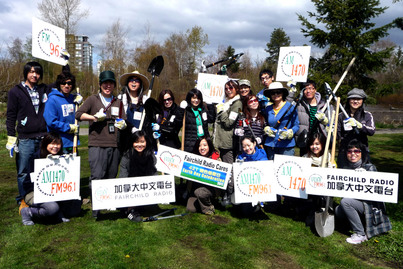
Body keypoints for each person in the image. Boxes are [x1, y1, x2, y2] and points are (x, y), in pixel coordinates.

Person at [75, 70, 126, 218]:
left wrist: (123, 124)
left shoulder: (118, 102)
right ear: (100, 84)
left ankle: (108, 202)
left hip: (114, 144)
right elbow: (78, 114)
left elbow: (123, 119)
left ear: (114, 85)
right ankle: (96, 206)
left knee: (111, 175)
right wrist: (94, 118)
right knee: (97, 175)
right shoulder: (93, 99)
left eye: (110, 83)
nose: (108, 86)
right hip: (97, 143)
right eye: (105, 83)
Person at [6, 61, 50, 205]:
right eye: (31, 72)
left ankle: (42, 197)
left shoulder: (44, 89)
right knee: (24, 171)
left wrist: (65, 63)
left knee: (43, 170)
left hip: (43, 137)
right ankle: (23, 200)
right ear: (26, 73)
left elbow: (61, 84)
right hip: (25, 139)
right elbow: (11, 115)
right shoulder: (15, 91)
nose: (34, 75)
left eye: (37, 72)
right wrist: (11, 137)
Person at [335, 139, 391, 244]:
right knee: (338, 211)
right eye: (349, 151)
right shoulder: (346, 169)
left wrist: (366, 177)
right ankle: (357, 222)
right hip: (355, 203)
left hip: (369, 205)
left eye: (356, 151)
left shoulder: (370, 168)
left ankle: (360, 234)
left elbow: (378, 193)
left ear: (362, 153)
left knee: (345, 202)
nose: (353, 154)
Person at [20, 132, 71, 225]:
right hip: (34, 191)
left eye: (58, 144)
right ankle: (27, 212)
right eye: (52, 143)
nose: (55, 146)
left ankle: (57, 213)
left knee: (74, 208)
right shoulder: (36, 157)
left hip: (54, 192)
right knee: (52, 208)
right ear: (45, 144)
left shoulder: (62, 158)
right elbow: (31, 180)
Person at [214, 80, 243, 204]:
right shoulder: (225, 102)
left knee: (229, 168)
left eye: (231, 87)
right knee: (220, 168)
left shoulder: (237, 103)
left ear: (236, 89)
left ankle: (229, 194)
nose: (228, 90)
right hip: (219, 140)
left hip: (227, 142)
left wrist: (221, 111)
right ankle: (221, 193)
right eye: (226, 88)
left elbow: (229, 123)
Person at [119, 130, 157, 222]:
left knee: (147, 207)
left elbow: (154, 173)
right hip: (131, 186)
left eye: (142, 142)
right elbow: (123, 177)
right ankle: (129, 210)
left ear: (146, 142)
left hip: (145, 185)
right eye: (136, 142)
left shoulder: (151, 155)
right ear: (132, 143)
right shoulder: (127, 156)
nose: (139, 145)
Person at [44, 71, 82, 154]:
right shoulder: (52, 100)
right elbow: (51, 121)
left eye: (69, 83)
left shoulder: (74, 99)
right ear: (59, 84)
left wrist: (81, 105)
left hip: (72, 142)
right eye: (63, 83)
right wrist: (68, 128)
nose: (66, 85)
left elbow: (78, 116)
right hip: (57, 144)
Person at [337, 88, 375, 168]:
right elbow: (337, 135)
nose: (355, 101)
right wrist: (329, 126)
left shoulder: (367, 115)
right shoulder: (340, 116)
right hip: (345, 151)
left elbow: (372, 131)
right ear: (348, 100)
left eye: (358, 99)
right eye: (353, 99)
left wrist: (360, 126)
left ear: (362, 101)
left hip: (362, 150)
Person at [262, 82, 300, 160]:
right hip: (271, 145)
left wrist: (291, 132)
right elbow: (264, 123)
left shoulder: (291, 107)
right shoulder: (268, 109)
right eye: (273, 93)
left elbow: (296, 125)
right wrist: (266, 129)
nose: (276, 94)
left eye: (278, 92)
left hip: (286, 146)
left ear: (283, 93)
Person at [295, 80, 332, 156]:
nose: (308, 91)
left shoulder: (325, 105)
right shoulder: (298, 104)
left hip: (320, 140)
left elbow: (332, 123)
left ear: (315, 90)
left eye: (311, 88)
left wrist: (325, 121)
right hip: (305, 140)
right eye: (305, 89)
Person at [186, 136, 220, 215]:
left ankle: (209, 208)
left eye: (205, 145)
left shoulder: (216, 159)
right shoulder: (193, 158)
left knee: (200, 193)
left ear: (209, 146)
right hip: (195, 189)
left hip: (210, 189)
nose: (202, 148)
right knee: (190, 208)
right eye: (200, 145)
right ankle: (201, 201)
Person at [118, 71, 150, 152]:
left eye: (137, 80)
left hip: (140, 140)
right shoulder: (121, 99)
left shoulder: (145, 100)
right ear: (127, 83)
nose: (134, 82)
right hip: (125, 139)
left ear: (140, 85)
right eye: (131, 80)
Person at [236, 136, 268, 215]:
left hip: (260, 187)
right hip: (247, 188)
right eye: (244, 146)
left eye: (249, 145)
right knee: (245, 210)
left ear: (254, 144)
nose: (247, 148)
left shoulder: (262, 155)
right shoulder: (240, 158)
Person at [181, 88, 216, 153]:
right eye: (194, 98)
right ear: (190, 98)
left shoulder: (202, 109)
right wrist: (181, 110)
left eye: (198, 98)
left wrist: (210, 106)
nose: (196, 100)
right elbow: (179, 122)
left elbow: (211, 119)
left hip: (202, 143)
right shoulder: (187, 111)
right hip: (190, 144)